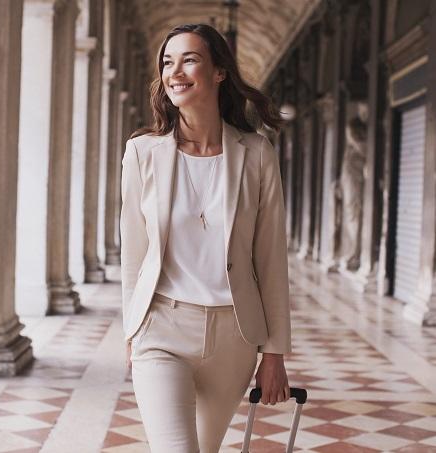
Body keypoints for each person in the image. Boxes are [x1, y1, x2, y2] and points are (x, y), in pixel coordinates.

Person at [120, 23, 291, 453]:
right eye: (167, 62)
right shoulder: (142, 153)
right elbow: (133, 253)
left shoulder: (256, 154)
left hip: (234, 337)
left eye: (189, 59)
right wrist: (131, 330)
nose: (174, 71)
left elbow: (271, 260)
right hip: (161, 328)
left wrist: (274, 353)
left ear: (219, 73)